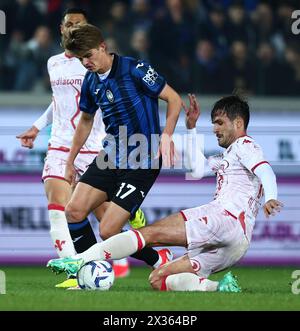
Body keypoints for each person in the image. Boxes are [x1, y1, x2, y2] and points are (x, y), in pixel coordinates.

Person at [47, 94, 283, 292]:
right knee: (159, 279)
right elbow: (198, 169)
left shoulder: (246, 146)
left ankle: (81, 259)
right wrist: (191, 129)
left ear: (238, 123)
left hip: (225, 217)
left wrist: (271, 196)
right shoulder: (229, 156)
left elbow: (266, 171)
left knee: (148, 233)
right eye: (213, 123)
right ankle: (219, 288)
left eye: (220, 123)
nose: (214, 129)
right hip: (238, 242)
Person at [16, 9, 156, 287]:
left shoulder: (93, 61)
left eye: (79, 25)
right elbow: (59, 101)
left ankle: (158, 260)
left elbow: (98, 105)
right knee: (59, 208)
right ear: (61, 28)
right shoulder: (53, 63)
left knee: (107, 224)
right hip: (60, 144)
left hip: (96, 144)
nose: (73, 29)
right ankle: (76, 272)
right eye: (69, 25)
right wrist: (37, 126)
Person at [51, 23, 181, 276]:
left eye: (88, 55)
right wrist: (70, 161)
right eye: (80, 59)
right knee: (74, 211)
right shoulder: (90, 82)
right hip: (111, 155)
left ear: (103, 47)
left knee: (108, 230)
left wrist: (166, 136)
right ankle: (89, 272)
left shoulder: (136, 69)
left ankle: (158, 257)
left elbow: (174, 99)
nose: (85, 63)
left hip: (143, 156)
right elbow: (86, 121)